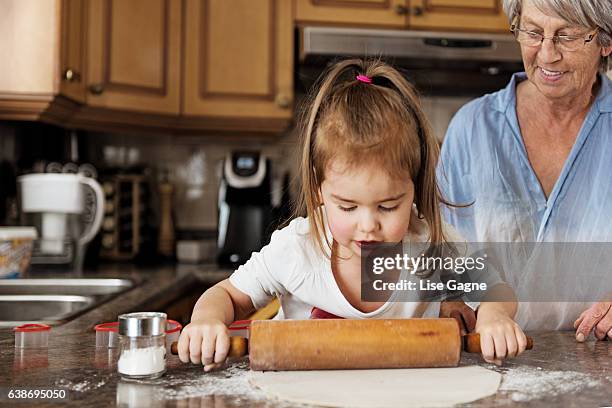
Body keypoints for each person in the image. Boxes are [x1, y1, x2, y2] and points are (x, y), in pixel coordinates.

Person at [178, 59, 527, 371]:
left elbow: (495, 288)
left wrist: (494, 316)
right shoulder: (296, 250)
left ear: (414, 192)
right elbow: (226, 295)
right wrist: (207, 321)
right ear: (319, 191)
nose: (368, 225)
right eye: (347, 207)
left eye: (388, 206)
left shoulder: (432, 245)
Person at [438, 0, 612, 339]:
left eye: (568, 36)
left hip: (600, 366)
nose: (547, 55)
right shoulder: (471, 129)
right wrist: (445, 301)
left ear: (606, 41)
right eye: (533, 32)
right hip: (486, 360)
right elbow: (439, 255)